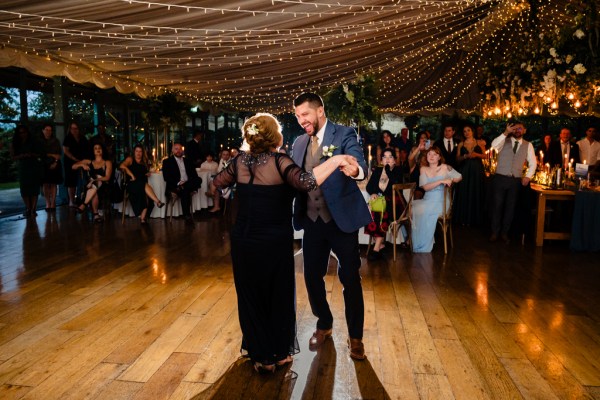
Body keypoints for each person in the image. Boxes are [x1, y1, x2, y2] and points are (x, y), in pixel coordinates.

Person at [211, 112, 356, 373]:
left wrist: (233, 191)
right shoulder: (279, 162)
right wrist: (335, 160)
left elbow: (216, 184)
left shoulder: (239, 161)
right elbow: (308, 181)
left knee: (251, 295)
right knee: (276, 293)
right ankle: (278, 354)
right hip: (273, 240)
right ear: (274, 135)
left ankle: (261, 355)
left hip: (243, 239)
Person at [291, 92, 372, 361]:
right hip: (313, 220)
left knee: (350, 279)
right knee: (311, 277)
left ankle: (356, 336)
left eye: (305, 114)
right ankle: (324, 323)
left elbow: (360, 164)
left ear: (320, 111)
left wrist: (354, 171)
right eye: (297, 116)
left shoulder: (344, 134)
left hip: (342, 221)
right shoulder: (300, 142)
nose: (301, 120)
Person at [489, 121, 537, 243]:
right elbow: (493, 145)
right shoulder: (503, 140)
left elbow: (533, 163)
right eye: (514, 129)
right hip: (500, 178)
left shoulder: (528, 145)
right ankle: (495, 232)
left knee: (510, 208)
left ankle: (505, 233)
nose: (517, 130)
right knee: (497, 206)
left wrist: (528, 176)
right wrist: (505, 132)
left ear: (524, 130)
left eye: (520, 128)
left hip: (515, 180)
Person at [411, 147, 462, 252]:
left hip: (441, 201)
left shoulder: (445, 167)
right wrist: (441, 181)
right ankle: (416, 240)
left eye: (435, 154)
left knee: (423, 211)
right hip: (427, 199)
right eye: (429, 154)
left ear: (439, 157)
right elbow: (425, 187)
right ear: (426, 157)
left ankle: (423, 241)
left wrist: (451, 180)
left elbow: (459, 176)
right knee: (412, 209)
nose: (432, 156)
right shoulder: (423, 169)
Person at [364, 148, 403, 260]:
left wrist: (388, 170)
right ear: (381, 160)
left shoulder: (398, 170)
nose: (387, 159)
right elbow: (369, 187)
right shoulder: (377, 171)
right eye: (384, 157)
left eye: (390, 157)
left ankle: (376, 248)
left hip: (394, 204)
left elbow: (396, 184)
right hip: (379, 203)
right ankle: (381, 244)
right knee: (368, 209)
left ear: (394, 160)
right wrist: (373, 193)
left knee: (382, 213)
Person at [120, 144, 164, 224]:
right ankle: (158, 201)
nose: (138, 153)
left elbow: (142, 173)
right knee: (144, 186)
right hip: (131, 184)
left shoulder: (144, 162)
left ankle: (143, 219)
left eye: (140, 151)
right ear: (134, 152)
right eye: (137, 151)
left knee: (144, 191)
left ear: (142, 153)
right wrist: (131, 175)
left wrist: (147, 173)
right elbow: (122, 166)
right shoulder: (130, 159)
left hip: (141, 184)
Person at [72, 144, 113, 223]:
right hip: (90, 186)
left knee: (95, 185)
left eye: (99, 148)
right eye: (95, 148)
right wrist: (82, 165)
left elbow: (107, 177)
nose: (98, 149)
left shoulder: (107, 162)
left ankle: (84, 205)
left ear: (103, 150)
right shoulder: (88, 161)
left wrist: (94, 180)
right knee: (94, 190)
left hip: (104, 186)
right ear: (93, 151)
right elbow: (73, 166)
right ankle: (95, 214)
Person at [454, 124, 485, 226]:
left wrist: (476, 155)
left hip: (477, 171)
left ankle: (475, 219)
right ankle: (463, 219)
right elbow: (457, 159)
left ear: (473, 131)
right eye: (464, 131)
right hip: (465, 170)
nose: (466, 133)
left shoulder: (480, 142)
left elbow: (485, 156)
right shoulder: (460, 144)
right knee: (464, 192)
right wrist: (465, 156)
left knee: (476, 192)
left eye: (468, 130)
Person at [162, 143, 202, 221]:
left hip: (186, 184)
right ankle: (186, 215)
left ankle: (184, 186)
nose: (179, 151)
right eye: (176, 149)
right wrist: (178, 183)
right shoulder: (167, 161)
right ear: (172, 151)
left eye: (180, 149)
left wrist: (185, 184)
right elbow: (166, 177)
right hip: (175, 186)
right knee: (185, 190)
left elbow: (194, 175)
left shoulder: (188, 161)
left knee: (199, 179)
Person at [11, 125, 44, 217]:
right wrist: (22, 156)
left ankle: (33, 209)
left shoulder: (33, 141)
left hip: (33, 166)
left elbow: (39, 153)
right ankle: (28, 208)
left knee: (34, 188)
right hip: (23, 167)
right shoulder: (16, 143)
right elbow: (13, 156)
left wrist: (32, 154)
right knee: (24, 189)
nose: (23, 134)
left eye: (24, 132)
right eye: (20, 133)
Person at [63, 122, 90, 208]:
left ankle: (83, 199)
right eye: (72, 128)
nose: (74, 130)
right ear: (70, 129)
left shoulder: (82, 138)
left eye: (76, 128)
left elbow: (87, 149)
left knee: (83, 180)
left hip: (82, 161)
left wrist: (84, 160)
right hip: (70, 162)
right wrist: (75, 159)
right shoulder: (67, 138)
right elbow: (66, 151)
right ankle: (71, 200)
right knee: (71, 182)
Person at [40, 124, 63, 212]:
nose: (48, 131)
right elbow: (41, 154)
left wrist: (55, 162)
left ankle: (53, 202)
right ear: (43, 130)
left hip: (55, 164)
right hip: (43, 165)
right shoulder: (40, 141)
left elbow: (59, 154)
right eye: (46, 129)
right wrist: (51, 155)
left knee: (53, 184)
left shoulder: (55, 141)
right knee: (45, 184)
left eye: (50, 130)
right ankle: (47, 203)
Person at [207, 148, 232, 212]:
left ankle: (211, 193)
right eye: (224, 154)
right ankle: (216, 206)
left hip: (229, 181)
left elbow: (228, 173)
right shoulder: (221, 160)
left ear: (229, 155)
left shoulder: (231, 162)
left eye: (227, 154)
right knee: (214, 184)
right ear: (221, 155)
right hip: (221, 179)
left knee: (214, 183)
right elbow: (219, 171)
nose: (225, 156)